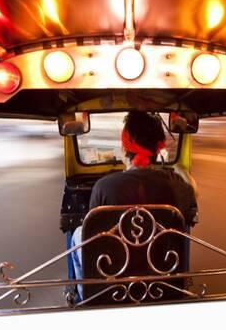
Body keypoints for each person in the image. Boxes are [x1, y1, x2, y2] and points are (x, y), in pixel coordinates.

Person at [70, 111, 198, 301]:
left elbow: (95, 238)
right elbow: (191, 209)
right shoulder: (178, 185)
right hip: (161, 273)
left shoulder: (104, 186)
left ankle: (86, 296)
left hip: (113, 276)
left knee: (79, 233)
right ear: (158, 149)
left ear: (124, 148)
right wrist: (183, 176)